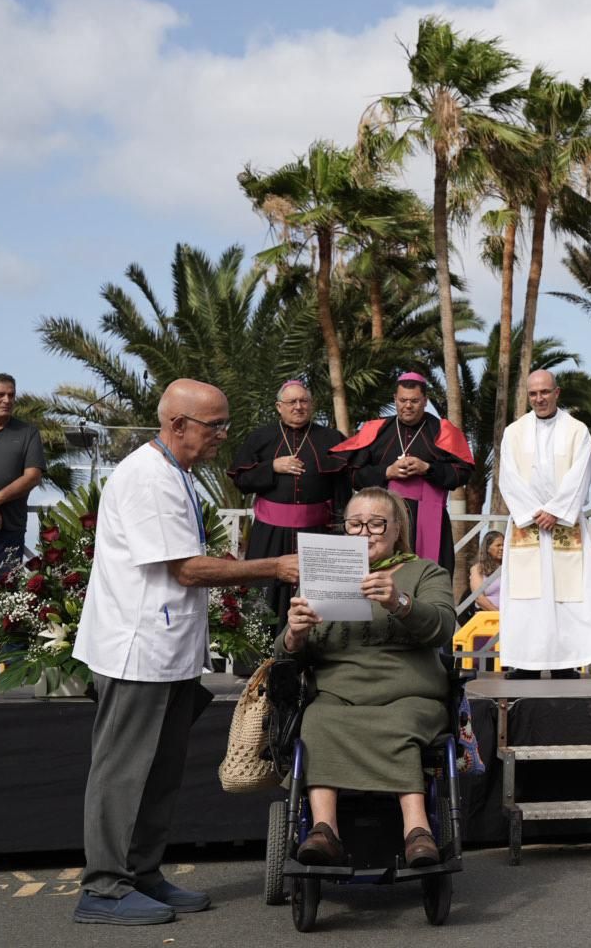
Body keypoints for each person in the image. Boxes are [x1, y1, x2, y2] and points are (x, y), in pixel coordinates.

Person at [71, 379, 301, 926]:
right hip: (138, 650)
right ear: (177, 425)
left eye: (224, 423)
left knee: (159, 771)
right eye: (214, 425)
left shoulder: (174, 472)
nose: (224, 435)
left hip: (166, 649)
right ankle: (104, 887)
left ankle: (141, 873)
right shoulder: (149, 477)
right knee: (125, 771)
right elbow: (185, 569)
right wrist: (274, 566)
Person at [277, 488, 458, 869]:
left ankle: (417, 830)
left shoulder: (425, 571)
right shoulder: (326, 572)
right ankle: (324, 830)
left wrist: (400, 602)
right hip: (339, 692)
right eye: (355, 524)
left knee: (401, 721)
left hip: (409, 693)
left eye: (376, 523)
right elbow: (289, 654)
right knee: (318, 719)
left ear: (396, 530)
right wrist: (294, 633)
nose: (365, 532)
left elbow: (442, 628)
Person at [496, 370, 591, 679]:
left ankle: (566, 663)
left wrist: (557, 511)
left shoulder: (577, 430)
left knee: (568, 596)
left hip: (564, 523)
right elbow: (507, 477)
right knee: (527, 598)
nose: (539, 398)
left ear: (557, 392)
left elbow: (581, 474)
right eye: (533, 393)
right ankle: (525, 664)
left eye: (545, 392)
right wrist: (534, 512)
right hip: (528, 523)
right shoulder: (514, 431)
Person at [228, 380, 349, 619]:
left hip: (318, 532)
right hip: (269, 534)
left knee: (317, 601)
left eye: (304, 401)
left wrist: (343, 527)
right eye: (291, 402)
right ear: (279, 407)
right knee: (263, 596)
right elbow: (241, 479)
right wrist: (271, 466)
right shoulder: (261, 437)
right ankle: (261, 653)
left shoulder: (332, 438)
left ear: (311, 405)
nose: (298, 406)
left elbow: (342, 486)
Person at [332, 373, 474, 573]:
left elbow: (463, 472)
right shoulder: (377, 430)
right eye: (403, 400)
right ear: (395, 399)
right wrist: (387, 472)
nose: (408, 406)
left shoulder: (442, 430)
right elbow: (354, 475)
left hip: (428, 519)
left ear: (425, 401)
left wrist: (427, 468)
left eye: (414, 401)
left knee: (429, 575)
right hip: (380, 521)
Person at [0, 373, 46, 576]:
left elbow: (33, 476)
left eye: (11, 395)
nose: (7, 400)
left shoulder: (27, 433)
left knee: (6, 591)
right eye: (0, 395)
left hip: (9, 529)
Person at [468, 530, 504, 611]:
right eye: (498, 545)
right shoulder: (478, 569)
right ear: (488, 548)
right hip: (487, 616)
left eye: (504, 545)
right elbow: (479, 598)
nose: (502, 548)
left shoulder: (508, 568)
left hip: (510, 615)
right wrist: (498, 615)